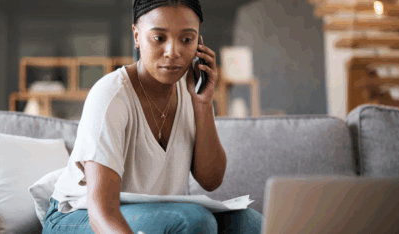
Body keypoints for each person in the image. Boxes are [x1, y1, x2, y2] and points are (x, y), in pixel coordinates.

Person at [42, 0, 264, 233]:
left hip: (149, 212)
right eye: (159, 38)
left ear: (199, 43)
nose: (173, 52)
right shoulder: (111, 95)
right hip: (77, 216)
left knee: (249, 222)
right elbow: (102, 213)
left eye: (186, 40)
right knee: (194, 220)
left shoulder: (191, 91)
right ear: (137, 36)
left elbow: (211, 180)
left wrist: (203, 102)